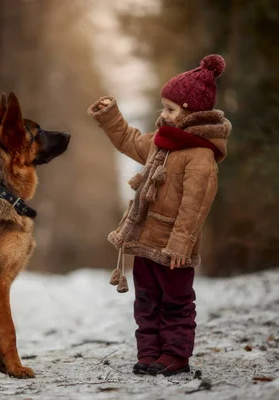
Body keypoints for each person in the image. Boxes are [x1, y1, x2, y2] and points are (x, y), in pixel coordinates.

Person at [87, 55, 232, 376]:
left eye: (170, 109)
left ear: (191, 113)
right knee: (147, 302)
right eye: (162, 107)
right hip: (145, 241)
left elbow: (195, 207)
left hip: (173, 249)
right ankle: (150, 353)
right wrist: (110, 116)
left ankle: (175, 356)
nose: (162, 114)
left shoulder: (200, 156)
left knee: (176, 303)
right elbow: (129, 140)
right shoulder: (162, 144)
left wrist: (181, 246)